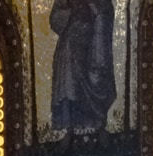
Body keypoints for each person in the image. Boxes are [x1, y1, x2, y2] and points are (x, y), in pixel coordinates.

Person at [49, 0, 115, 134]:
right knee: (68, 83)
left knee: (97, 77)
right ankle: (69, 130)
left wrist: (94, 9)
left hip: (93, 43)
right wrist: (70, 12)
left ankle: (98, 127)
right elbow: (55, 17)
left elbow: (105, 11)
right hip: (69, 43)